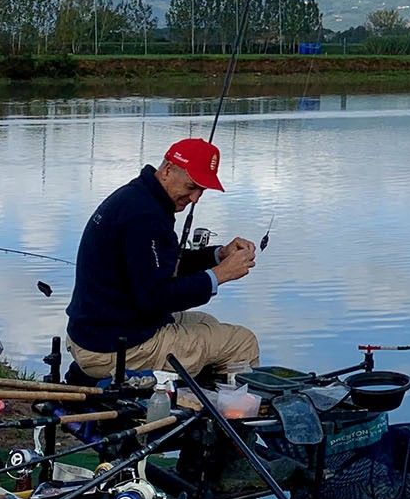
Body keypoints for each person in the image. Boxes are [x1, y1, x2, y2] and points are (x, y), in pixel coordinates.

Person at [66, 137, 263, 381]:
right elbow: (155, 298)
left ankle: (188, 395)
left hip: (98, 332)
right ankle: (228, 413)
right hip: (112, 347)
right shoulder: (145, 216)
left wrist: (218, 255)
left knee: (206, 322)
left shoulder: (139, 197)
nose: (195, 199)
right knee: (241, 342)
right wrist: (220, 275)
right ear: (168, 170)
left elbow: (161, 267)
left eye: (202, 190)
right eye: (192, 187)